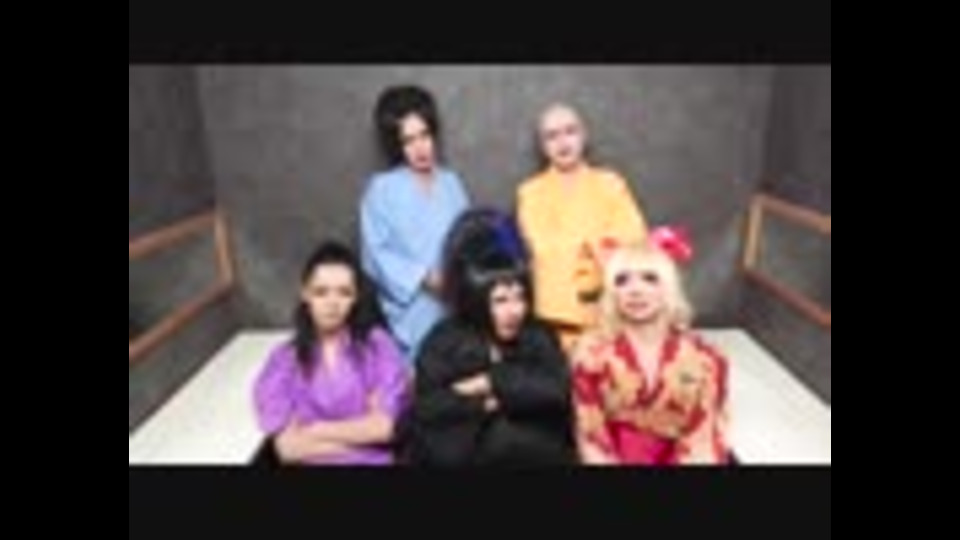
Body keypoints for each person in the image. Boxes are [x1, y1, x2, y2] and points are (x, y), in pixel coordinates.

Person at [398, 208, 577, 466]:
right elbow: (427, 412)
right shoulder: (443, 343)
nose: (514, 310)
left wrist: (489, 381)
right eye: (500, 300)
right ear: (476, 300)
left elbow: (556, 392)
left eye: (520, 297)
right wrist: (487, 405)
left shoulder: (538, 336)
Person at [570, 230, 732, 465]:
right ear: (612, 293)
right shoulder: (591, 355)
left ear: (669, 288)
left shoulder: (706, 359)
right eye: (622, 281)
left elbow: (704, 439)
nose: (635, 290)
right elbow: (590, 436)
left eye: (650, 278)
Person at [253, 241, 410, 465]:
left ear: (356, 297)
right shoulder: (284, 360)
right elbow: (288, 449)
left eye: (344, 293)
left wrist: (314, 429)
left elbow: (384, 429)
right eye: (321, 292)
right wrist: (361, 434)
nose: (332, 303)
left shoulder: (377, 346)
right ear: (305, 293)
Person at [517, 102, 650, 352]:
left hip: (610, 318)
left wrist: (574, 247)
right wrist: (594, 243)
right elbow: (541, 248)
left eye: (570, 131)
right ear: (543, 146)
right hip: (553, 322)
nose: (562, 143)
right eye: (552, 136)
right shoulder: (530, 193)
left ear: (584, 136)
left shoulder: (611, 184)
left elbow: (633, 240)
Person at [360, 85, 471, 365]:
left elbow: (468, 236)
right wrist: (425, 277)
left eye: (425, 135)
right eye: (408, 140)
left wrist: (462, 278)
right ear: (395, 145)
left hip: (456, 300)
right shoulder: (381, 189)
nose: (420, 148)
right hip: (413, 308)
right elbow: (375, 255)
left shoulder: (451, 183)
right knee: (419, 372)